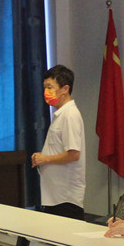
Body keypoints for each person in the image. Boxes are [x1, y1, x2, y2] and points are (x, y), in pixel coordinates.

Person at [31, 65, 85, 220]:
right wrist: (42, 156)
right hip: (55, 195)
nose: (46, 92)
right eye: (45, 87)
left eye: (50, 87)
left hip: (65, 197)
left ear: (65, 89)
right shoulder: (60, 114)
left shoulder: (70, 115)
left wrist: (45, 159)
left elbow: (73, 154)